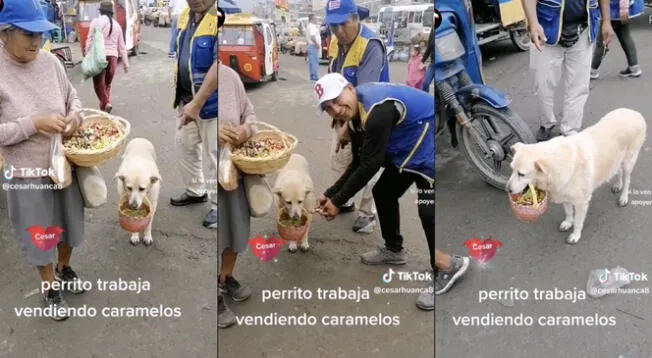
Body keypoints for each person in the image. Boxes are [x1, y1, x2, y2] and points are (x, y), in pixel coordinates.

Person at [313, 73, 436, 310]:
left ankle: (441, 269)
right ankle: (393, 249)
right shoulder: (356, 115)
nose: (336, 109)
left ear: (350, 88)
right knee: (384, 192)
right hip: (405, 148)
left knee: (428, 212)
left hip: (427, 144)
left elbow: (370, 165)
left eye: (337, 100)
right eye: (329, 108)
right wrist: (330, 194)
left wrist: (337, 202)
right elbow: (359, 161)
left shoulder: (377, 111)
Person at [0, 0, 86, 321]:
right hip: (26, 172)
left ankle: (64, 268)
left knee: (68, 224)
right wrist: (34, 124)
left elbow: (72, 97)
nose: (37, 41)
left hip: (63, 164)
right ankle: (49, 285)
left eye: (40, 33)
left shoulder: (51, 62)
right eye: (27, 34)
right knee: (39, 232)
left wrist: (75, 116)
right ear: (4, 34)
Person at [325, 0, 389, 234]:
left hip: (372, 117)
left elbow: (364, 93)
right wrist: (338, 119)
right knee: (342, 161)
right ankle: (346, 199)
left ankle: (367, 214)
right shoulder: (335, 43)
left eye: (343, 24)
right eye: (333, 27)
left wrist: (348, 128)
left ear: (355, 18)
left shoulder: (371, 45)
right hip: (344, 115)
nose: (339, 32)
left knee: (369, 167)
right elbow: (332, 78)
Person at [522, 0, 612, 141]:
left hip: (584, 28)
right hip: (546, 28)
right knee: (542, 84)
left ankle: (570, 130)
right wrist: (533, 22)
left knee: (578, 86)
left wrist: (606, 21)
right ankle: (546, 123)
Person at [170, 0, 218, 230]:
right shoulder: (184, 17)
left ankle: (221, 208)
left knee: (216, 155)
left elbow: (220, 65)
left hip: (211, 105)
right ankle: (196, 191)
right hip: (187, 100)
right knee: (184, 146)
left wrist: (198, 103)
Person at [217, 62, 258, 329]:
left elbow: (251, 116)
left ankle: (225, 277)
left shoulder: (230, 77)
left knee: (234, 230)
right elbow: (184, 119)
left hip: (234, 169)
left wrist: (245, 130)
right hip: (209, 170)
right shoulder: (192, 76)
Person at [85, 0, 129, 113]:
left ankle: (105, 103)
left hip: (99, 57)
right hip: (113, 58)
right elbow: (122, 46)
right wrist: (125, 63)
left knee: (98, 85)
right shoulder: (117, 26)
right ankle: (104, 107)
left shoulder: (96, 22)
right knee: (107, 84)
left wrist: (87, 54)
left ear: (101, 11)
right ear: (111, 12)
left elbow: (89, 40)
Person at [590, 0, 643, 79]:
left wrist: (623, 8)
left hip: (614, 8)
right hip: (621, 8)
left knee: (602, 39)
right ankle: (634, 67)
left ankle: (592, 70)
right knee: (625, 36)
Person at [420, 23, 434, 93]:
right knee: (425, 82)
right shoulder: (433, 31)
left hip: (444, 65)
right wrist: (422, 61)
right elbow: (429, 48)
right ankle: (426, 99)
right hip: (433, 63)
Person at [306, 14, 321, 81]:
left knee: (312, 62)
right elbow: (312, 37)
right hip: (313, 46)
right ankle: (314, 76)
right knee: (314, 61)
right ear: (312, 19)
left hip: (310, 45)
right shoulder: (312, 27)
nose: (316, 20)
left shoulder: (309, 26)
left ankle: (312, 75)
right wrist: (316, 44)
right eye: (315, 19)